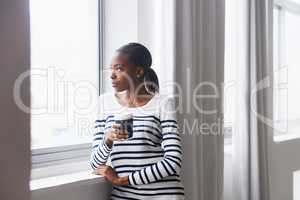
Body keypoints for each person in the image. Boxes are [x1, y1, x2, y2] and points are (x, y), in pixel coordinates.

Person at [90, 43, 185, 199]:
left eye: (119, 69)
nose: (112, 75)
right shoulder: (104, 103)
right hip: (124, 196)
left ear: (139, 71)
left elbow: (173, 161)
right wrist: (107, 139)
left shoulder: (162, 104)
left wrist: (124, 180)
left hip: (163, 196)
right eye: (111, 68)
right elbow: (95, 164)